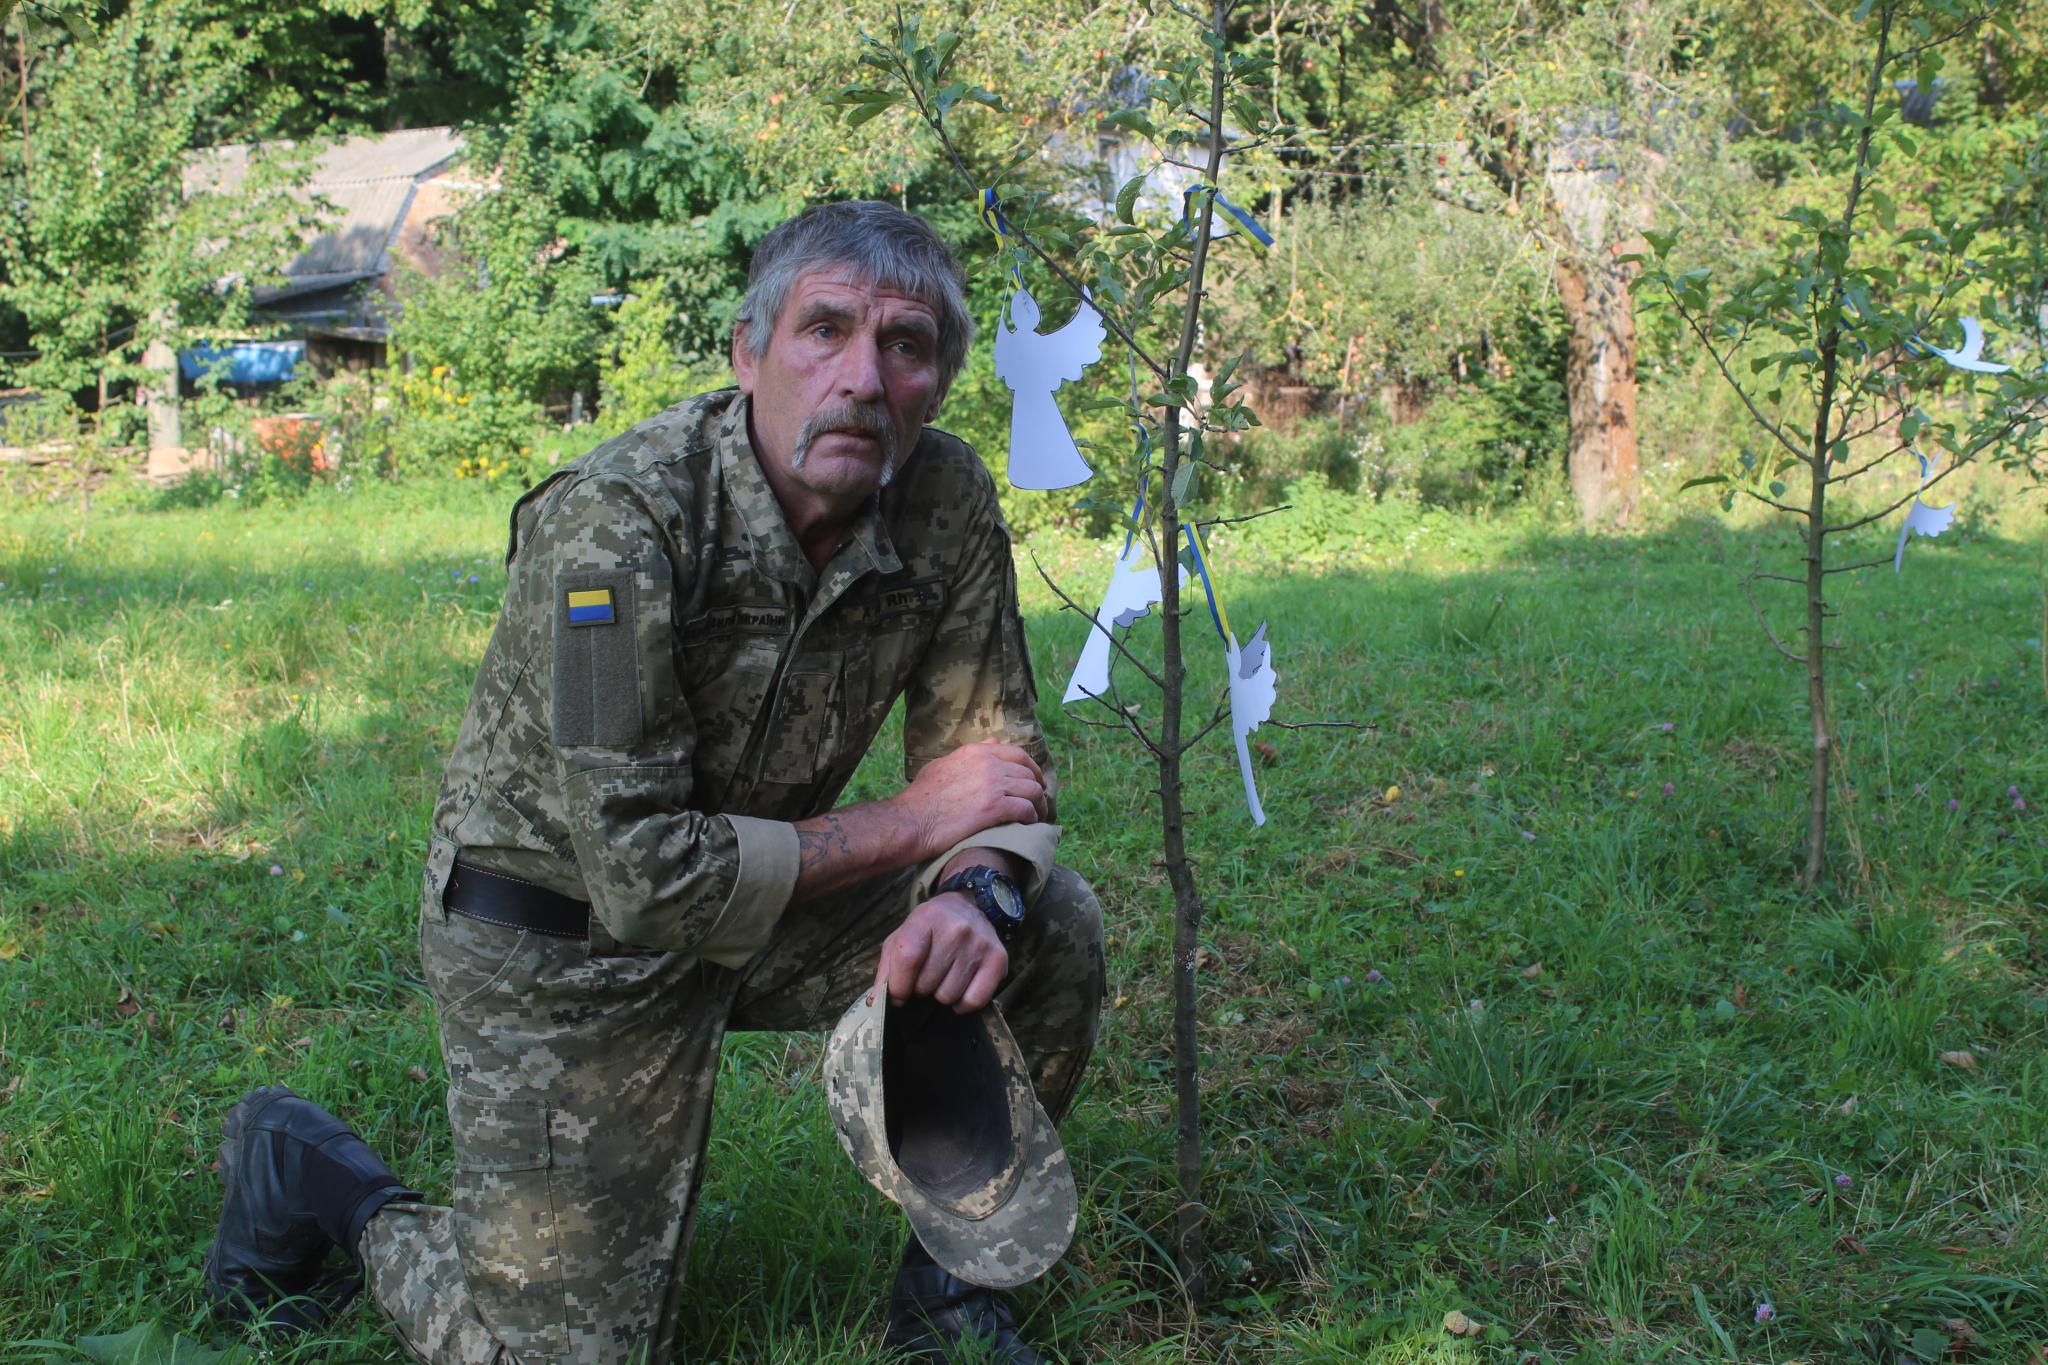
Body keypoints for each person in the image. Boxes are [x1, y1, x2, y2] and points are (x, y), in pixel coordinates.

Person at [202, 200, 1105, 1365]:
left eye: (906, 346)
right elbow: (640, 874)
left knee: (1051, 921)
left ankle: (947, 1309)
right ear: (747, 352)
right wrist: (921, 821)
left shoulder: (943, 500)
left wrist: (969, 892)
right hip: (559, 941)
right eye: (822, 330)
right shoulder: (620, 524)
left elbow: (993, 756)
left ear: (936, 381)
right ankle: (324, 1180)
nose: (863, 378)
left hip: (767, 897)